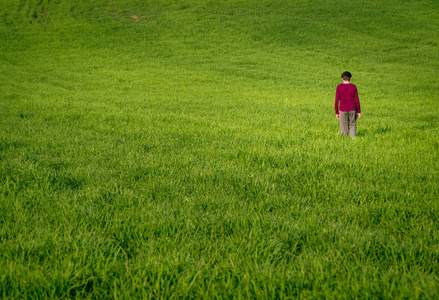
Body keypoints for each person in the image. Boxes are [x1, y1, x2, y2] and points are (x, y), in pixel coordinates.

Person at [334, 71, 361, 138]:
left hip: (343, 109)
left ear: (342, 78)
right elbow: (357, 100)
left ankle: (344, 140)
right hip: (352, 108)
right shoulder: (353, 87)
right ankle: (353, 139)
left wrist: (337, 112)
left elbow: (336, 101)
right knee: (353, 124)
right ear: (350, 78)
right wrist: (359, 111)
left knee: (343, 126)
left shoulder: (339, 87)